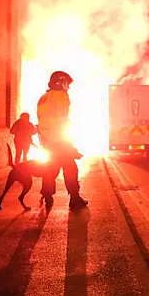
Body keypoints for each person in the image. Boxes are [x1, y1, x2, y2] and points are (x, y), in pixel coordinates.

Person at [36, 71, 88, 209]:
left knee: (51, 169)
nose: (68, 88)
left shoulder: (44, 97)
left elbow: (42, 120)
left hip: (47, 141)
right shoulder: (61, 96)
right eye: (67, 84)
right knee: (71, 169)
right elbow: (62, 120)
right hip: (60, 140)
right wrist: (69, 144)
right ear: (61, 82)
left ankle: (47, 194)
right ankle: (75, 199)